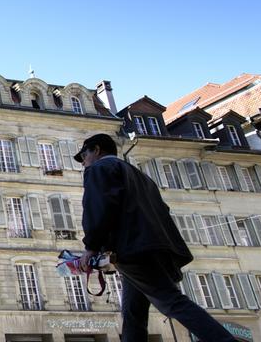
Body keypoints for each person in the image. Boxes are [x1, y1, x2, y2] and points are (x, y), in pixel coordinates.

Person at [74, 133, 235, 342]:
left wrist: (91, 247)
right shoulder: (139, 175)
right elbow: (162, 210)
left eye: (84, 155)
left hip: (133, 249)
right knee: (133, 314)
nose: (83, 162)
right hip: (154, 246)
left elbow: (99, 208)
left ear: (96, 150)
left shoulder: (98, 169)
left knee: (171, 301)